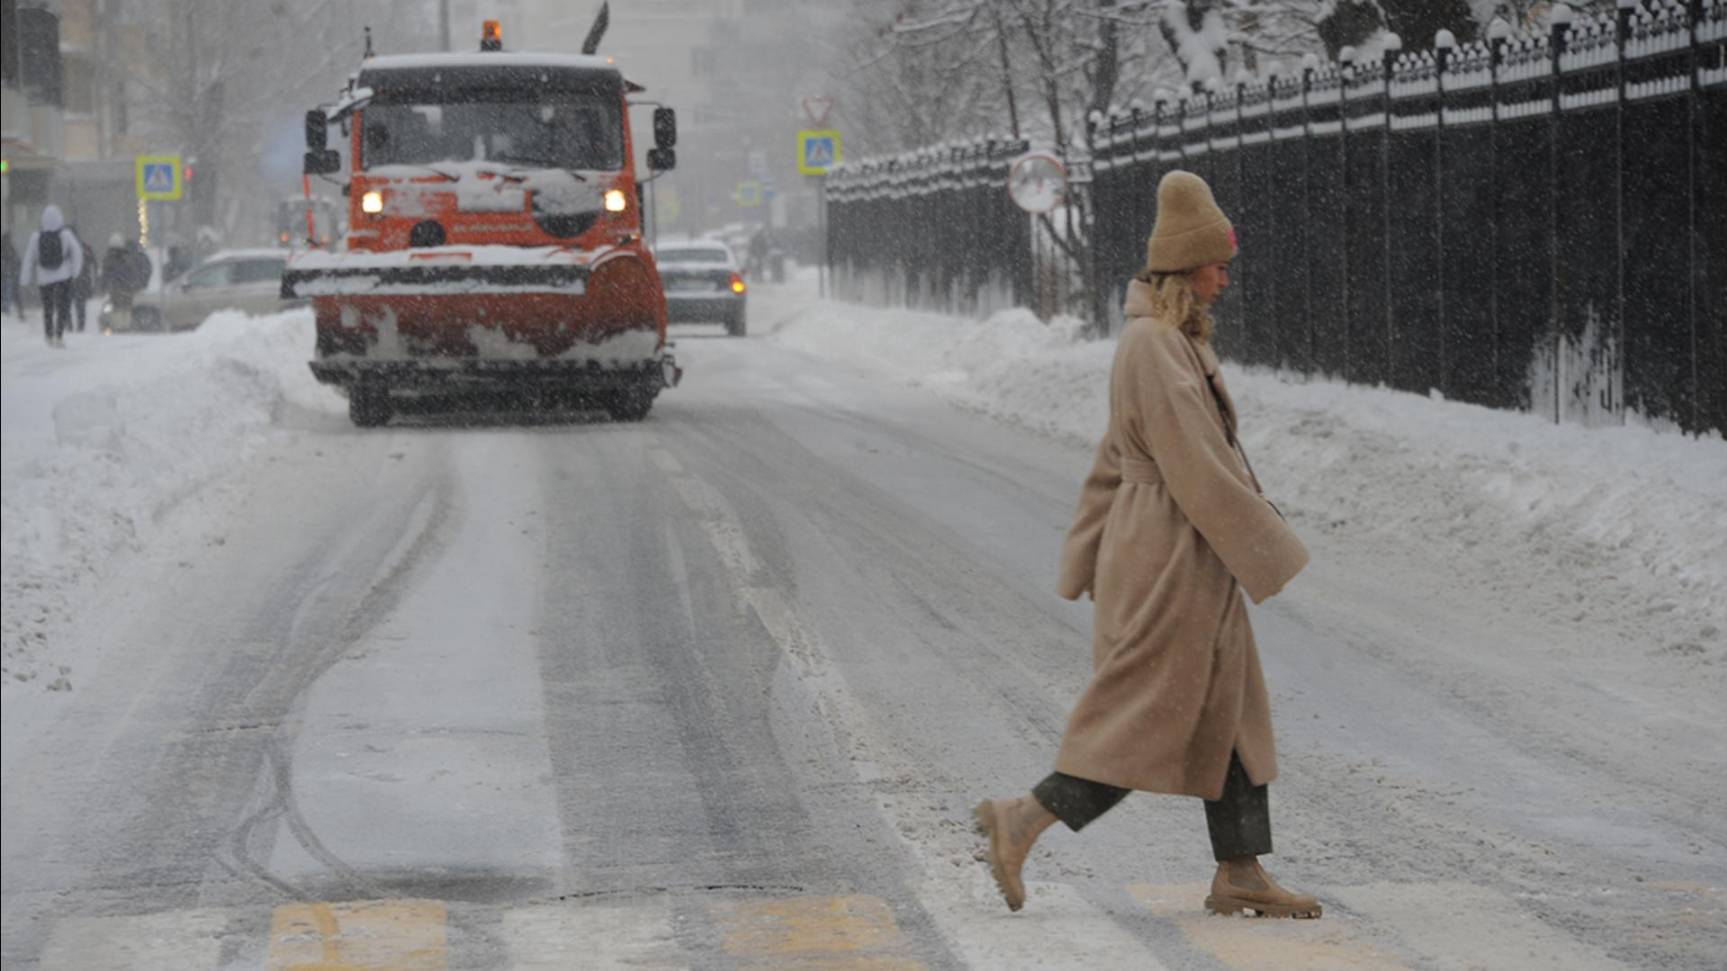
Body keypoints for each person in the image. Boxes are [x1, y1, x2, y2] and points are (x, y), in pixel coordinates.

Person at [974, 170, 1320, 919]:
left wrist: (1088, 550)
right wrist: (1268, 546)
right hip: (1172, 551)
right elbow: (1193, 464)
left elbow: (1111, 457)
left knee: (1227, 708)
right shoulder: (1155, 346)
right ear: (1186, 266)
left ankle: (1240, 869)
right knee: (1147, 712)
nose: (1225, 279)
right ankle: (1022, 818)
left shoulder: (1164, 341)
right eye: (1217, 264)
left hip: (1176, 545)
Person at [18, 205, 85, 347]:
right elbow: (77, 253)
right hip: (64, 276)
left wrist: (25, 279)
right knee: (63, 307)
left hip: (44, 278)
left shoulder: (36, 237)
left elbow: (29, 258)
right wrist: (75, 271)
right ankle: (59, 335)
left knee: (47, 308)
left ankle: (48, 335)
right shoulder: (66, 235)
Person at [69, 225, 96, 332]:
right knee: (80, 306)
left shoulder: (65, 248)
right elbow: (93, 265)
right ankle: (80, 326)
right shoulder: (85, 247)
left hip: (69, 281)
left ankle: (69, 325)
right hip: (82, 281)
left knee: (66, 305)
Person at [1, 232, 22, 318]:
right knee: (13, 292)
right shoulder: (9, 247)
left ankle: (7, 308)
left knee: (8, 291)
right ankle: (10, 309)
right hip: (10, 273)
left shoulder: (6, 247)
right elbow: (16, 260)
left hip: (7, 273)